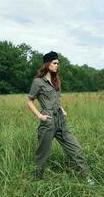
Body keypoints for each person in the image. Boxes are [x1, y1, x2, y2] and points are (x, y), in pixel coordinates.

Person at [27, 51, 94, 184]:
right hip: (48, 121)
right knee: (42, 155)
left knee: (76, 149)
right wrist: (40, 116)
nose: (57, 65)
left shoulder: (57, 80)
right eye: (55, 63)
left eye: (58, 63)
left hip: (61, 121)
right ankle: (36, 180)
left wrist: (62, 109)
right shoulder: (38, 82)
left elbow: (56, 99)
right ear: (47, 64)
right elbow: (30, 100)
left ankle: (87, 177)